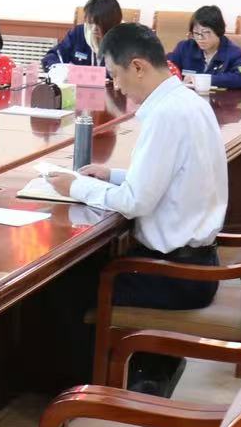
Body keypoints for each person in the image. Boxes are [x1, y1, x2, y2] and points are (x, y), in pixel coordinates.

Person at [53, 23, 228, 397]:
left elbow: (136, 202)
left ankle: (88, 396)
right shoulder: (189, 102)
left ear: (137, 67)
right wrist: (112, 175)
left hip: (175, 276)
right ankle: (150, 365)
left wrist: (77, 187)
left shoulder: (165, 115)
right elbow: (173, 177)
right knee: (84, 272)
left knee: (64, 286)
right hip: (199, 264)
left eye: (115, 75)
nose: (116, 87)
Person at [166, 5, 241, 90]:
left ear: (218, 31)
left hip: (220, 98)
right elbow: (165, 67)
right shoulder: (185, 48)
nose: (200, 38)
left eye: (206, 33)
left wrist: (203, 79)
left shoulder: (235, 54)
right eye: (196, 33)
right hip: (189, 97)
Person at [41, 0, 123, 70]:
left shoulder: (123, 39)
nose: (94, 28)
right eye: (91, 22)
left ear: (111, 23)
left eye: (99, 24)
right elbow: (52, 56)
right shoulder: (78, 33)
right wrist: (58, 69)